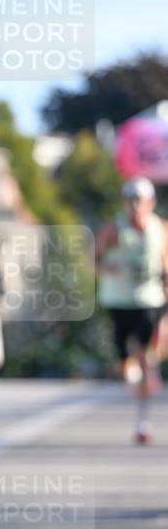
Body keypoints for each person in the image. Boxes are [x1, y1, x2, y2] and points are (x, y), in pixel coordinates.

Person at [96, 177, 168, 444]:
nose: (135, 206)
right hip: (118, 301)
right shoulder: (113, 230)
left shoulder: (160, 228)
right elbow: (93, 261)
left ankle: (142, 421)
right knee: (126, 363)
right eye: (131, 200)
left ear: (151, 202)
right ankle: (137, 377)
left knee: (144, 354)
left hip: (149, 300)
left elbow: (165, 262)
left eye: (140, 200)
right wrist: (108, 268)